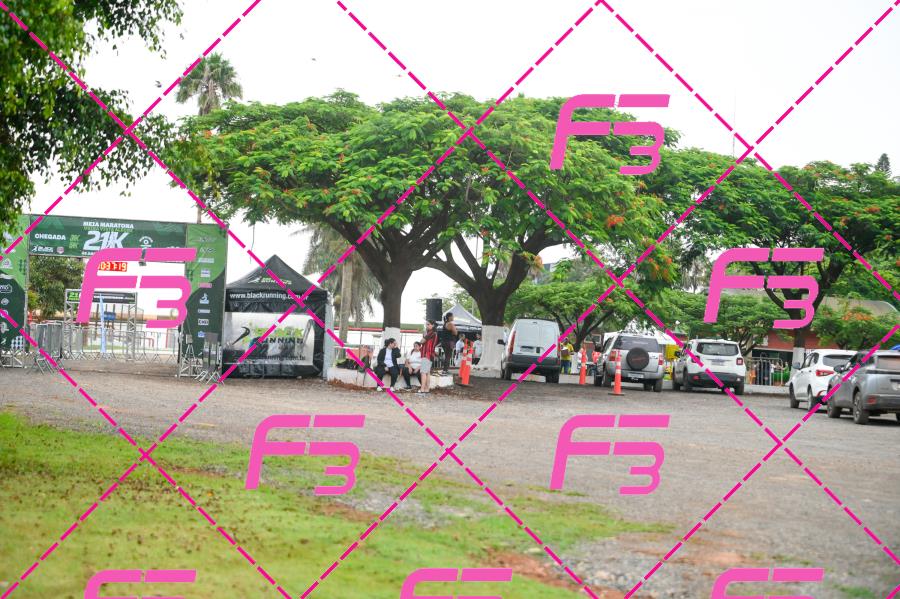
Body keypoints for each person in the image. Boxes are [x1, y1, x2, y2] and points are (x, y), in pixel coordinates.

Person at [419, 320, 438, 394]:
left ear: (433, 325)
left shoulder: (431, 333)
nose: (427, 326)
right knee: (427, 372)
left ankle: (422, 389)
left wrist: (424, 334)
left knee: (423, 372)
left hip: (427, 354)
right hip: (429, 354)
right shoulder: (433, 333)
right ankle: (426, 389)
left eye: (428, 324)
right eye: (426, 324)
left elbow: (422, 341)